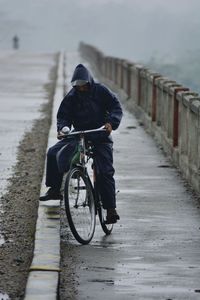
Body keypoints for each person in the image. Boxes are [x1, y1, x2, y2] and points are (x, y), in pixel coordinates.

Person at [40, 64, 123, 224]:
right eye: (78, 85)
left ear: (89, 82)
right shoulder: (72, 96)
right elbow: (63, 116)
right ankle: (54, 189)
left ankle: (111, 209)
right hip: (79, 134)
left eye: (83, 85)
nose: (81, 88)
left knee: (105, 171)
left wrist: (111, 123)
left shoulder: (101, 91)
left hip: (100, 134)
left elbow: (116, 107)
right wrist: (62, 129)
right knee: (53, 153)